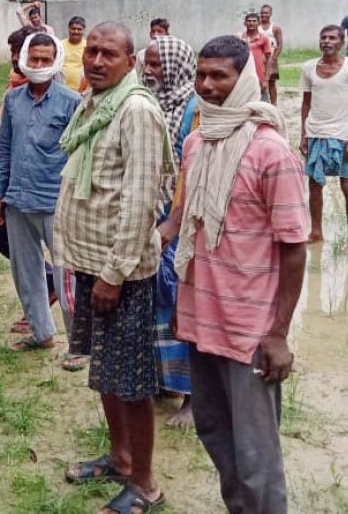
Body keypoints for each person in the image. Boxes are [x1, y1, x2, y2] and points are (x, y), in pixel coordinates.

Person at [161, 35, 308, 514]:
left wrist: (279, 335)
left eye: (219, 76)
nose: (207, 85)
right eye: (202, 75)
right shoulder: (195, 143)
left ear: (244, 79)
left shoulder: (272, 153)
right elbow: (184, 224)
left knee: (256, 456)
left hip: (250, 332)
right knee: (215, 432)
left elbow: (293, 247)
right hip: (203, 321)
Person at [58, 22, 173, 514]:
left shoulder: (137, 111)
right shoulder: (95, 103)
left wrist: (113, 274)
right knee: (106, 371)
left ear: (131, 61)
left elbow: (140, 202)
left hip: (120, 274)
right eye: (92, 52)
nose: (97, 61)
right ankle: (121, 458)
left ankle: (145, 483)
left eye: (110, 54)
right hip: (90, 264)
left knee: (131, 380)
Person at [0, 33, 81, 363]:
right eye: (35, 58)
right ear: (24, 58)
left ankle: (79, 343)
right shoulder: (13, 100)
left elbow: (78, 155)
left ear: (55, 61)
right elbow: (4, 148)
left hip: (55, 200)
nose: (39, 65)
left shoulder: (71, 102)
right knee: (25, 270)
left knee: (67, 273)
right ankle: (41, 333)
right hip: (17, 199)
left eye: (46, 59)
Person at [142, 34, 199, 429]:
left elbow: (193, 171)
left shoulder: (196, 108)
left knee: (181, 301)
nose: (148, 71)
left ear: (175, 67)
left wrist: (175, 219)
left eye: (156, 65)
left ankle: (193, 395)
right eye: (146, 63)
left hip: (182, 218)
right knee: (155, 301)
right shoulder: (150, 104)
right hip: (153, 214)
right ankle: (164, 381)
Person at [300, 25, 348, 251]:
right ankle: (316, 231)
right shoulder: (308, 68)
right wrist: (304, 134)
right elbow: (306, 102)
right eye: (323, 37)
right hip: (316, 133)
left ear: (342, 42)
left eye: (332, 38)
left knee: (347, 184)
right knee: (315, 183)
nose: (327, 41)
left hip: (343, 134)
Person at [237, 13, 272, 100]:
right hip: (244, 77)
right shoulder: (240, 38)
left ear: (259, 23)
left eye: (254, 21)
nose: (251, 23)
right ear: (245, 23)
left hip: (259, 76)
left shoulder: (264, 38)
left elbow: (268, 60)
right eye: (249, 21)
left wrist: (266, 80)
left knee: (263, 105)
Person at [132, 19, 170, 84]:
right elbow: (136, 74)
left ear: (166, 34)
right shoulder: (141, 54)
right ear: (150, 34)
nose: (155, 35)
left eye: (159, 31)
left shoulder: (172, 54)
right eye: (153, 31)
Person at [259, 4, 284, 105]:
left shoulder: (275, 28)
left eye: (266, 13)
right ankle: (262, 103)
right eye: (262, 13)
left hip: (271, 58)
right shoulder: (257, 27)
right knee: (260, 81)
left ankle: (274, 104)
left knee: (271, 83)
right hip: (260, 59)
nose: (264, 15)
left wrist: (274, 58)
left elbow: (280, 43)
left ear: (270, 14)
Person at [62, 16, 87, 89]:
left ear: (84, 30)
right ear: (68, 29)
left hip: (82, 91)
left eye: (79, 29)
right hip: (62, 89)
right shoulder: (60, 45)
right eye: (73, 29)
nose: (76, 32)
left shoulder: (88, 47)